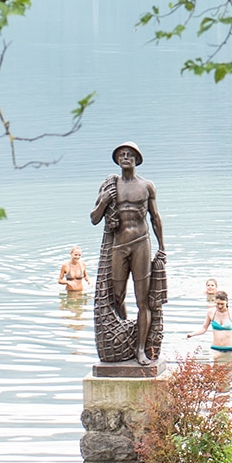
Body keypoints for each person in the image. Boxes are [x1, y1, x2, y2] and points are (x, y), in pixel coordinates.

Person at [90, 142, 165, 365]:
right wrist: (104, 201)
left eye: (130, 154)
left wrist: (162, 247)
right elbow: (94, 218)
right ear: (117, 160)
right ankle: (123, 339)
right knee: (116, 296)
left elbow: (155, 218)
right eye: (121, 154)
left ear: (137, 159)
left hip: (141, 243)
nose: (125, 157)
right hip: (119, 245)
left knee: (143, 300)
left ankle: (140, 349)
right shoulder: (110, 187)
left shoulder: (147, 186)